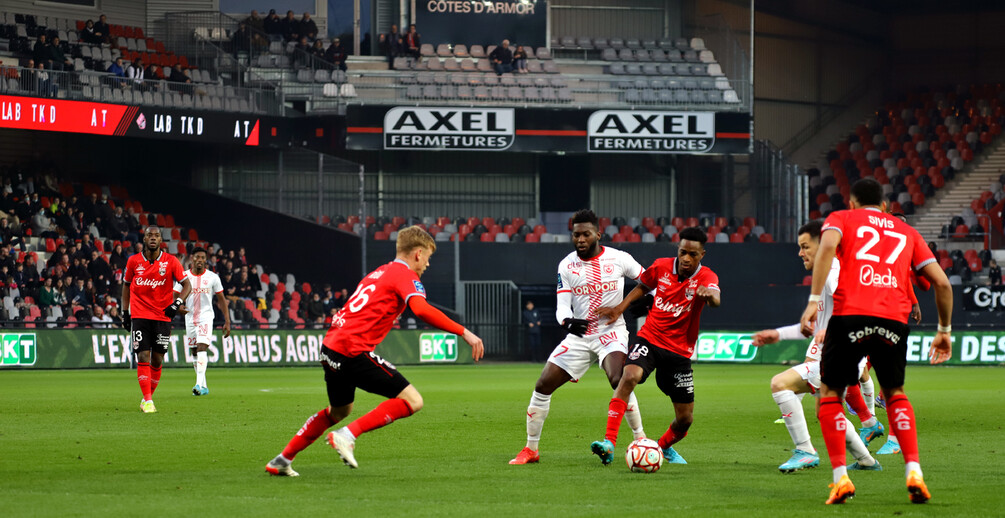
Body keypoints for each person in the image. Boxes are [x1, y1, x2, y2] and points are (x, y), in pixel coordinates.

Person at [265, 226, 484, 476]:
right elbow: (421, 309)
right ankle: (347, 436)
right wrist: (464, 332)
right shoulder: (405, 275)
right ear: (418, 254)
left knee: (339, 410)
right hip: (352, 350)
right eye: (428, 258)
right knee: (413, 401)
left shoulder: (378, 272)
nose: (427, 264)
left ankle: (282, 460)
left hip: (330, 348)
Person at [799, 178, 953, 505]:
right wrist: (944, 330)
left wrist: (814, 300)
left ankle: (841, 479)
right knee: (895, 392)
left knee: (830, 393)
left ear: (852, 203)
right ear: (884, 206)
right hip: (893, 321)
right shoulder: (907, 231)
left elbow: (826, 247)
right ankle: (914, 471)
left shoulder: (842, 218)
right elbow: (941, 283)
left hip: (851, 315)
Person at [509, 210, 646, 465]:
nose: (580, 239)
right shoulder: (566, 264)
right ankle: (531, 449)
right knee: (542, 385)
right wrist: (566, 321)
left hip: (611, 332)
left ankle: (640, 439)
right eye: (576, 234)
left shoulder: (619, 258)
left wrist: (644, 301)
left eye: (586, 234)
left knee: (619, 378)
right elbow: (562, 306)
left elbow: (649, 280)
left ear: (598, 234)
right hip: (580, 337)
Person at [752, 220, 882, 473]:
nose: (800, 253)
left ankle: (805, 451)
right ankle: (866, 460)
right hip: (841, 359)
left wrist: (834, 328)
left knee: (780, 384)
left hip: (839, 359)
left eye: (805, 247)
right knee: (828, 410)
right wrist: (777, 334)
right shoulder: (826, 276)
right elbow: (811, 327)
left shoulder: (833, 272)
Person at [590, 226, 720, 466]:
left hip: (679, 353)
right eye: (683, 252)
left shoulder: (706, 277)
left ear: (702, 255)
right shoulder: (661, 266)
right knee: (628, 377)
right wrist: (621, 307)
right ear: (678, 250)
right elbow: (642, 285)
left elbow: (716, 298)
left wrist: (709, 296)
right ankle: (609, 442)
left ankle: (660, 448)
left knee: (685, 419)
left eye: (693, 254)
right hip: (650, 338)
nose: (686, 259)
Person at [122, 226, 191, 414]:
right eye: (149, 235)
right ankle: (148, 400)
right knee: (143, 356)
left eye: (156, 235)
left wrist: (176, 304)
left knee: (158, 360)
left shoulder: (171, 261)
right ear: (144, 239)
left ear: (161, 240)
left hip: (162, 316)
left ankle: (146, 398)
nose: (153, 238)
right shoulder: (133, 261)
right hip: (139, 315)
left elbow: (187, 285)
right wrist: (124, 312)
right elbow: (126, 286)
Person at [178, 247, 230, 396]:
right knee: (194, 351)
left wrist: (227, 321)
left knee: (202, 347)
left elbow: (222, 300)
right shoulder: (184, 276)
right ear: (192, 258)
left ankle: (198, 384)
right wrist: (178, 306)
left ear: (205, 260)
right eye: (197, 257)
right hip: (190, 318)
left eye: (202, 257)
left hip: (206, 318)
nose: (200, 260)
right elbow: (175, 295)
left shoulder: (213, 277)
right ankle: (204, 385)